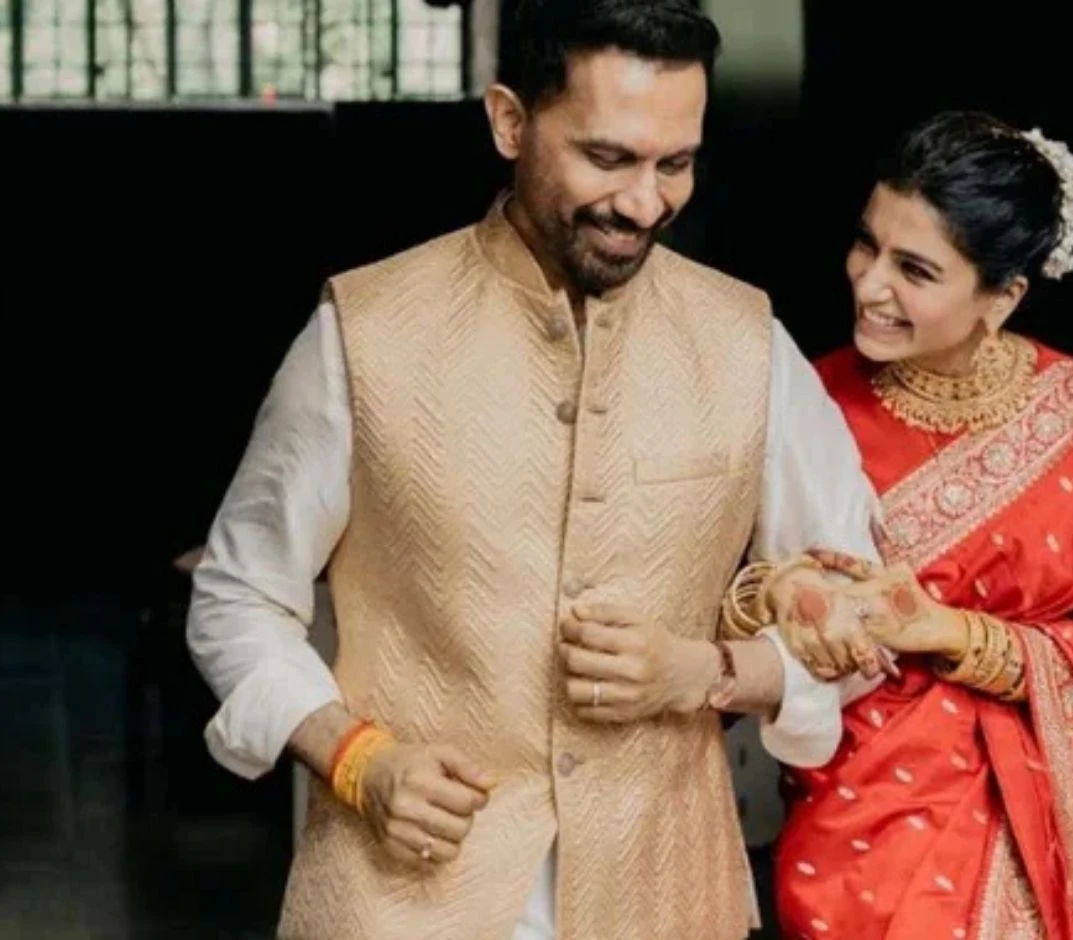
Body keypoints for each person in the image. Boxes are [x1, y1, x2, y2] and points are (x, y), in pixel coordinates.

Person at [185, 2, 884, 937]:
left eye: (675, 164)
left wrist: (709, 670)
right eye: (607, 158)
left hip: (668, 897)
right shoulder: (365, 332)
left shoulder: (748, 345)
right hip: (402, 904)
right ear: (510, 122)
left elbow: (866, 612)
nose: (644, 204)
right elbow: (237, 597)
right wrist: (356, 759)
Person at [739, 111, 1073, 939]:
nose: (869, 284)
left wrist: (952, 633)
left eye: (915, 270)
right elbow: (722, 597)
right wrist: (780, 595)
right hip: (863, 829)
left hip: (1047, 838)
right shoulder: (804, 404)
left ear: (1003, 297)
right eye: (866, 245)